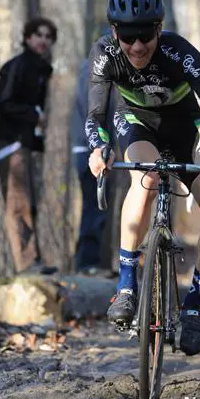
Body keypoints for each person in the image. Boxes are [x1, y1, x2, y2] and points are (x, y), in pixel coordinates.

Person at [86, 0, 200, 357]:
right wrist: (98, 148)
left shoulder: (180, 52)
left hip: (187, 127)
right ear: (114, 32)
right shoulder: (105, 54)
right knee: (147, 175)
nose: (137, 47)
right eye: (128, 36)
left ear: (160, 28)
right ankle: (126, 286)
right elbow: (96, 114)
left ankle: (192, 306)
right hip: (137, 122)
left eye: (146, 35)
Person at [0, 17, 58, 274]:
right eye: (38, 35)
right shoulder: (17, 67)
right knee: (18, 204)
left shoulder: (40, 70)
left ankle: (33, 261)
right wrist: (33, 115)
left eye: (48, 37)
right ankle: (27, 265)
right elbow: (2, 104)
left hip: (24, 143)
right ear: (28, 37)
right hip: (8, 143)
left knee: (28, 203)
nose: (43, 40)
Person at [70, 57, 117, 274]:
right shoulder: (91, 72)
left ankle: (91, 262)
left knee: (97, 206)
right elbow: (93, 113)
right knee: (93, 205)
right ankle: (86, 263)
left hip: (100, 149)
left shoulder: (100, 72)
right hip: (89, 149)